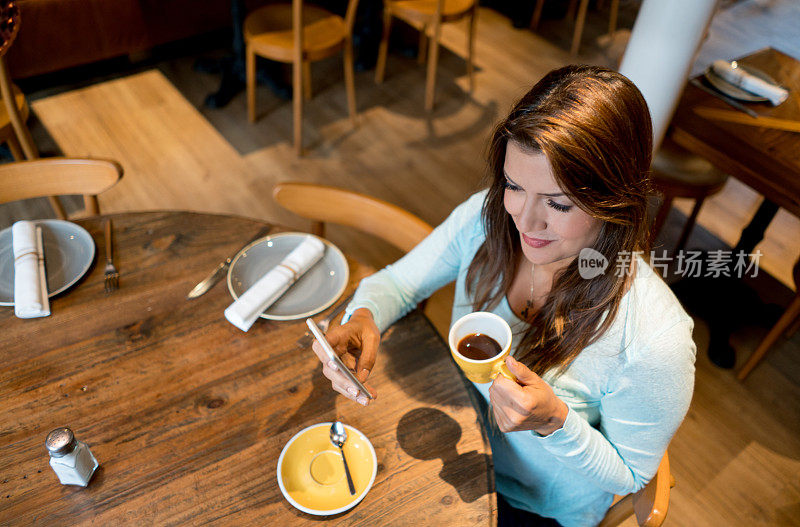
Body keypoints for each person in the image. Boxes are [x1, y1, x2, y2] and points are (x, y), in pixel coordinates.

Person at [311, 64, 696, 527]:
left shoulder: (654, 340)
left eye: (558, 203)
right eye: (514, 186)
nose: (525, 222)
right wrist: (363, 315)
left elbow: (633, 474)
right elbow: (396, 283)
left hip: (537, 508)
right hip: (455, 438)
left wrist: (556, 421)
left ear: (615, 201)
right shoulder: (487, 218)